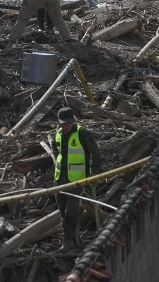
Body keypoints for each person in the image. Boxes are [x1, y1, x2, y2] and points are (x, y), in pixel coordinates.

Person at [51, 108, 102, 251]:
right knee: (62, 211)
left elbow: (96, 154)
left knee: (70, 212)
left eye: (69, 123)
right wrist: (56, 158)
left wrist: (94, 173)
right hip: (60, 178)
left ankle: (71, 239)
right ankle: (70, 240)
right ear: (59, 123)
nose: (66, 126)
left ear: (73, 121)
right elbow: (54, 146)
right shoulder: (59, 133)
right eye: (64, 123)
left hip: (76, 180)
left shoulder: (82, 133)